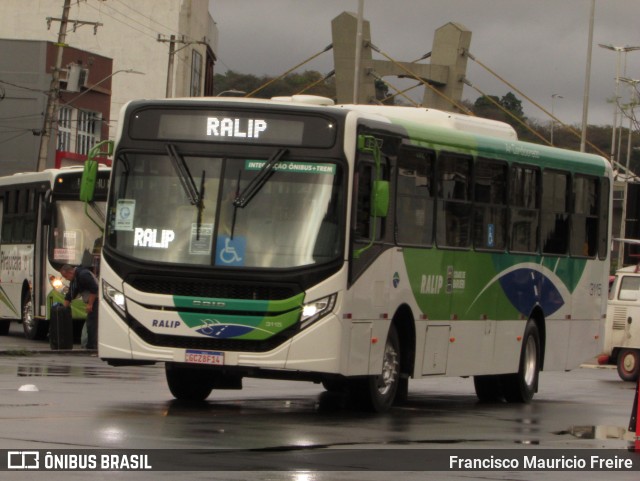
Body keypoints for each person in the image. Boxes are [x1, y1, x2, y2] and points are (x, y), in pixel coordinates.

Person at [59, 264, 99, 350]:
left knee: (92, 323)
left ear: (70, 272)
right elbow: (71, 293)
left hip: (97, 301)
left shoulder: (83, 275)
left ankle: (92, 346)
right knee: (90, 323)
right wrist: (64, 308)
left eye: (65, 276)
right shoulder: (76, 278)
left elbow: (95, 289)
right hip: (93, 301)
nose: (65, 278)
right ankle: (90, 344)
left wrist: (90, 304)